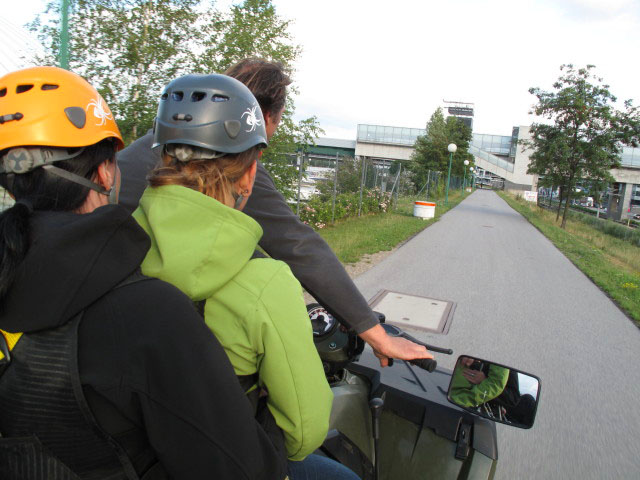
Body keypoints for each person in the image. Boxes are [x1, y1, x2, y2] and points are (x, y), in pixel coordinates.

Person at [0, 66, 285, 480]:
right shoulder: (148, 311)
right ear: (104, 173)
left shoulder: (13, 278)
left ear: (13, 186)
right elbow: (243, 469)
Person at [117, 58, 432, 368]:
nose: (271, 136)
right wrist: (377, 334)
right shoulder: (225, 164)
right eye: (276, 124)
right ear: (262, 117)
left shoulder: (162, 146)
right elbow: (298, 246)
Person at [132, 73, 359, 479]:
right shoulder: (266, 284)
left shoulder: (114, 247)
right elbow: (305, 433)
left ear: (164, 158)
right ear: (250, 175)